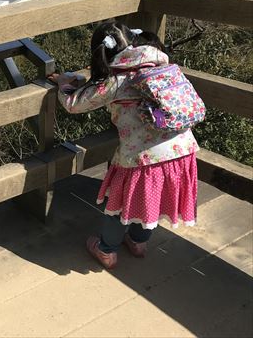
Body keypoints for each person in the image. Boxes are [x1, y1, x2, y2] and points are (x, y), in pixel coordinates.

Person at [50, 21, 199, 270]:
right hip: (182, 149)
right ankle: (139, 242)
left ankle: (106, 249)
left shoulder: (117, 81)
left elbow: (74, 103)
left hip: (142, 158)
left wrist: (63, 84)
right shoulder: (164, 64)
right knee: (153, 199)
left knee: (121, 206)